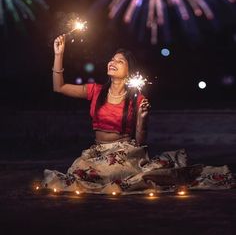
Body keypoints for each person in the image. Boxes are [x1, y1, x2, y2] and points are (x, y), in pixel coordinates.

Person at [42, 35, 235, 194]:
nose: (113, 62)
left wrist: (142, 117)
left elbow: (141, 140)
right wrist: (59, 54)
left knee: (115, 177)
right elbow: (58, 87)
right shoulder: (96, 91)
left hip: (124, 153)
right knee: (78, 174)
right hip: (97, 152)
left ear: (129, 71)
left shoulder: (137, 99)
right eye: (112, 59)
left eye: (120, 61)